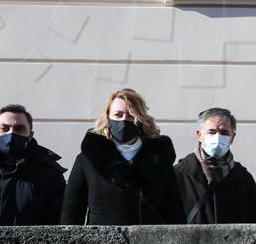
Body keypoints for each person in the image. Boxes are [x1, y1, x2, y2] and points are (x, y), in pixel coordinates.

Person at [60, 88, 184, 225]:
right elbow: (72, 212)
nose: (124, 120)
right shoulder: (87, 159)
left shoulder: (159, 158)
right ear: (108, 118)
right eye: (118, 115)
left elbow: (174, 212)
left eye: (131, 115)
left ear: (141, 119)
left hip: (149, 242)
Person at [173, 107, 256, 224]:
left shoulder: (244, 179)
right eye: (212, 132)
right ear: (199, 135)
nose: (218, 137)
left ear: (232, 137)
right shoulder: (179, 175)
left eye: (224, 132)